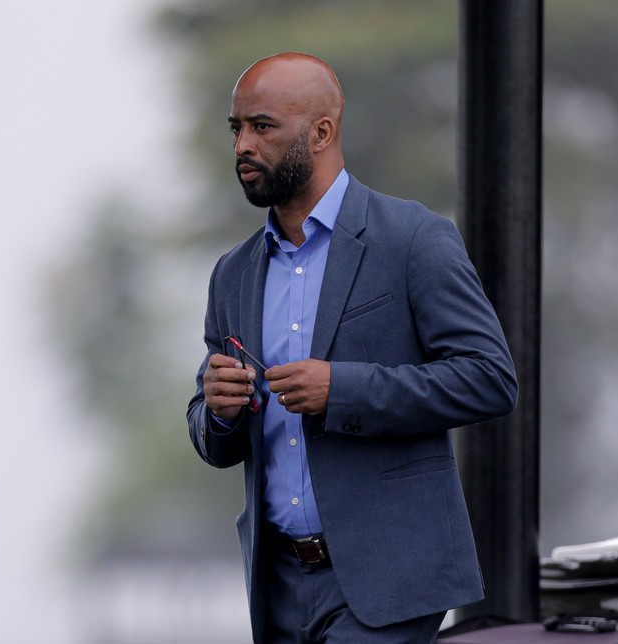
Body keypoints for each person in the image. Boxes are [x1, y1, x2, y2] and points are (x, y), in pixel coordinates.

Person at [187, 52, 518, 643]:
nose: (242, 144)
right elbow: (214, 439)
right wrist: (217, 408)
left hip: (385, 583)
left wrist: (343, 389)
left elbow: (490, 377)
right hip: (277, 586)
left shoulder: (414, 238)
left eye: (262, 126)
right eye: (236, 128)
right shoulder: (232, 273)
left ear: (321, 132)